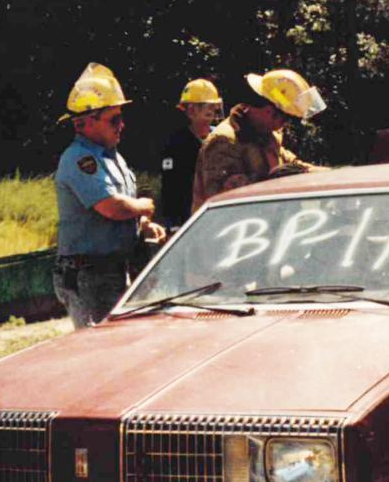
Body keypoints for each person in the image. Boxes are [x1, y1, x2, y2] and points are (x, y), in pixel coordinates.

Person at [53, 63, 165, 329]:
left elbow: (119, 212)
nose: (122, 125)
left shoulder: (112, 157)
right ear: (86, 122)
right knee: (100, 350)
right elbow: (111, 207)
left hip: (111, 270)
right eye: (114, 119)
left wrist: (143, 225)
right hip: (89, 274)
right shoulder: (79, 159)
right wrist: (142, 207)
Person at [191, 69, 326, 212]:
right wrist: (278, 182)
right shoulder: (224, 141)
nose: (284, 124)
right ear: (269, 111)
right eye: (285, 118)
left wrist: (330, 175)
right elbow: (223, 196)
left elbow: (291, 165)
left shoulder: (266, 135)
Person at [159, 78, 223, 228]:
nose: (210, 110)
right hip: (189, 220)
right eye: (203, 106)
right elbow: (170, 189)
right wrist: (174, 226)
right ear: (188, 110)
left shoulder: (220, 138)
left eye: (212, 106)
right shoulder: (176, 144)